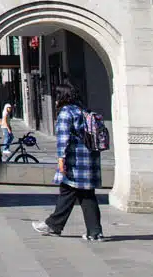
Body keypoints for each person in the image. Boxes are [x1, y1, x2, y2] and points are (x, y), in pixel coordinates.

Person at [32, 83, 105, 242]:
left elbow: (63, 138)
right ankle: (95, 232)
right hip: (90, 161)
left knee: (68, 191)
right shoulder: (83, 110)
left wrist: (61, 159)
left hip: (75, 161)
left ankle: (53, 225)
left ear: (61, 97)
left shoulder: (66, 113)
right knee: (86, 195)